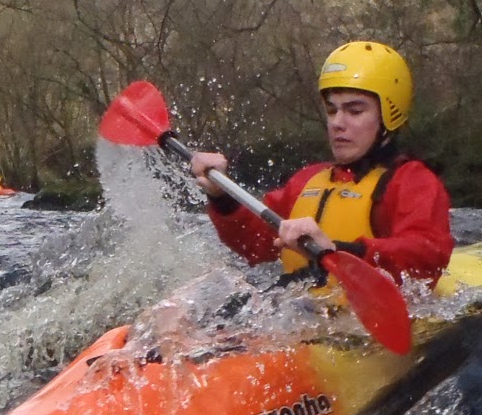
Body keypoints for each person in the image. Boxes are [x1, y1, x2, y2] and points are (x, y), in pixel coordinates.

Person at [188, 41, 453, 288]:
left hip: (357, 322)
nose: (338, 122)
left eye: (355, 111)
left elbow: (426, 256)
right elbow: (255, 245)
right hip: (299, 312)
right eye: (331, 110)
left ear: (388, 117)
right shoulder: (308, 180)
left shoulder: (411, 182)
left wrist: (341, 250)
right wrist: (222, 197)